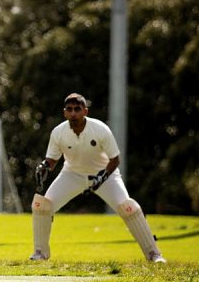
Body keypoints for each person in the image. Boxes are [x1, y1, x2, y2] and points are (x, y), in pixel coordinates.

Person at [30, 93, 166, 263]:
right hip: (72, 174)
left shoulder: (100, 129)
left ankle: (154, 254)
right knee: (42, 206)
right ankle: (40, 253)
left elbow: (115, 159)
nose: (73, 114)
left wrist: (103, 176)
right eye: (69, 110)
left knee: (128, 207)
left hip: (105, 174)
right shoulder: (59, 132)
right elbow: (52, 160)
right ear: (64, 112)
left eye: (77, 109)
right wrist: (44, 167)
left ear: (85, 111)